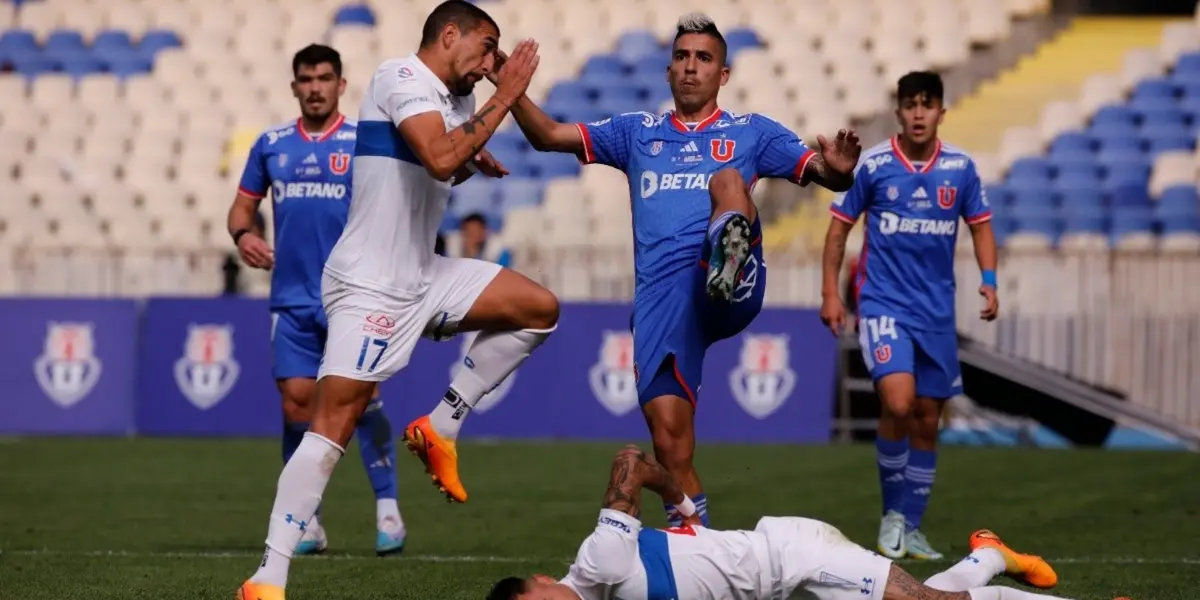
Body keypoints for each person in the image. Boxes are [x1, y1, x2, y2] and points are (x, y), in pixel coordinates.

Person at [236, 2, 559, 598]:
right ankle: (268, 576)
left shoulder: (455, 99)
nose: (490, 62)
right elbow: (437, 155)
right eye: (486, 47)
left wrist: (473, 147)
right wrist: (504, 96)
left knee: (538, 309)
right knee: (334, 422)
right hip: (370, 282)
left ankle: (440, 426)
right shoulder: (399, 76)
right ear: (450, 34)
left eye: (497, 56)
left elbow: (436, 162)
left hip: (421, 273)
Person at [495, 12, 861, 528]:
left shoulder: (750, 132)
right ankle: (700, 543)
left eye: (704, 59)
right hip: (663, 305)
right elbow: (548, 135)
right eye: (683, 58)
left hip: (730, 286)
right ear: (669, 70)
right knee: (670, 442)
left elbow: (823, 173)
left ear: (723, 75)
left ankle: (723, 257)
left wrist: (839, 172)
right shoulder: (637, 133)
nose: (691, 68)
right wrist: (507, 89)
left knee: (728, 182)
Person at [485, 445, 1129, 600]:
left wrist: (679, 503)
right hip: (782, 585)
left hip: (792, 554)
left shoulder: (599, 561)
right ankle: (989, 553)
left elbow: (629, 462)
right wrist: (683, 513)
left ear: (540, 583)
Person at [226, 44, 406, 557]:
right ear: (294, 87)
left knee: (364, 402)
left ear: (341, 85)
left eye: (325, 78)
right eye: (306, 79)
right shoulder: (272, 144)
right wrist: (243, 237)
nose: (315, 88)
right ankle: (307, 521)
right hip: (293, 301)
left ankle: (388, 509)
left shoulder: (364, 140)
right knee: (296, 406)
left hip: (355, 296)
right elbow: (241, 209)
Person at [818, 71, 1000, 561]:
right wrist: (830, 295)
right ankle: (892, 518)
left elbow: (981, 226)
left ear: (942, 111)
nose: (919, 113)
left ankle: (910, 525)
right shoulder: (875, 165)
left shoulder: (960, 168)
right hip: (883, 305)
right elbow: (838, 229)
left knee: (926, 419)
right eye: (911, 104)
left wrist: (990, 279)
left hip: (935, 313)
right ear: (898, 111)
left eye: (929, 104)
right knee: (899, 404)